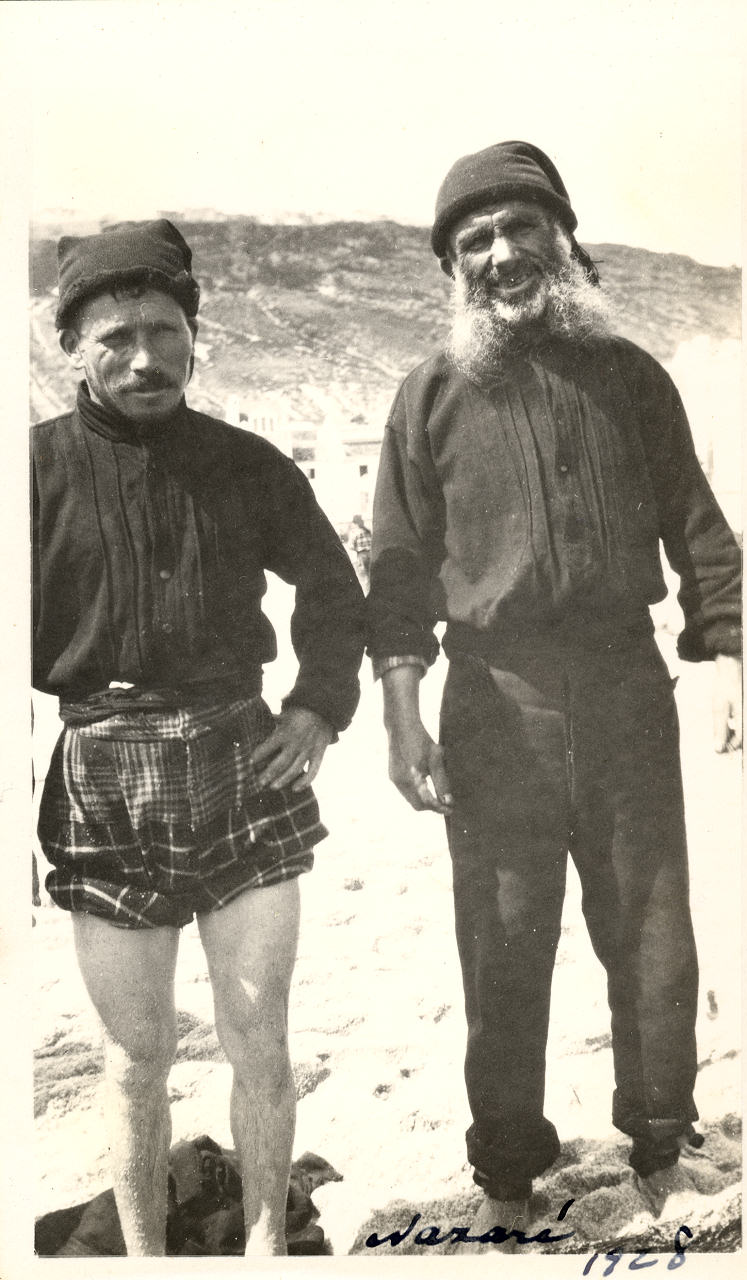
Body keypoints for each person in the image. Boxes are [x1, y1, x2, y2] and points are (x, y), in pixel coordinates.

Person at [367, 142, 742, 1239]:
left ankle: (662, 1144)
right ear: (452, 267)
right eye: (474, 240)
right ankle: (504, 1172)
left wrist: (734, 666)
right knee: (500, 941)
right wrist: (400, 716)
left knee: (652, 930)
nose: (500, 254)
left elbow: (700, 533)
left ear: (562, 238)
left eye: (520, 228)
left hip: (627, 686)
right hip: (494, 701)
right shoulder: (427, 397)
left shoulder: (632, 377)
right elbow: (395, 574)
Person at [32, 219, 365, 1256]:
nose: (145, 359)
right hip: (101, 772)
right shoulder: (30, 471)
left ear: (193, 338)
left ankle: (265, 1248)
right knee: (135, 1057)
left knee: (258, 1035)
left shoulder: (245, 463)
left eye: (166, 333)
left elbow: (334, 587)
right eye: (116, 337)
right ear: (70, 346)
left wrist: (316, 706)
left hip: (240, 758)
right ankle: (145, 1261)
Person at [348, 513, 372, 585]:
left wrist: (358, 548)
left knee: (365, 576)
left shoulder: (354, 532)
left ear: (355, 523)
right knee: (371, 573)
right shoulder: (368, 531)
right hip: (370, 553)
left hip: (362, 555)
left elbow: (351, 546)